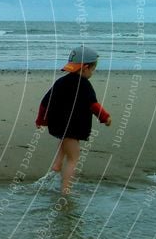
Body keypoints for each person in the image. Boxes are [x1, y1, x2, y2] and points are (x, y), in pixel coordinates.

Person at [35, 46, 112, 194]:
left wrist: (41, 120)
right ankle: (65, 190)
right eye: (93, 70)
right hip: (73, 127)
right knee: (73, 158)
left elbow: (45, 102)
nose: (92, 73)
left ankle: (57, 164)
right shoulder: (84, 85)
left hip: (58, 126)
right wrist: (105, 117)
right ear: (85, 67)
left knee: (65, 139)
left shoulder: (60, 82)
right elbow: (93, 105)